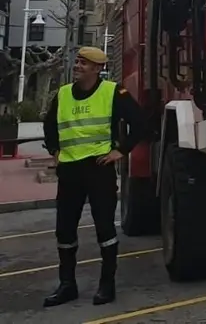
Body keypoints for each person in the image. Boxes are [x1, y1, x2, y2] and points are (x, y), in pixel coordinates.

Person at [41, 47, 146, 307]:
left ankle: (106, 285)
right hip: (70, 171)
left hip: (99, 169)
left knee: (105, 229)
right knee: (64, 230)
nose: (77, 66)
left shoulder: (113, 92)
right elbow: (49, 125)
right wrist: (55, 151)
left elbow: (141, 122)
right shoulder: (63, 94)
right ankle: (67, 285)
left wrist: (120, 151)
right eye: (77, 61)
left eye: (84, 63)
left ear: (98, 69)